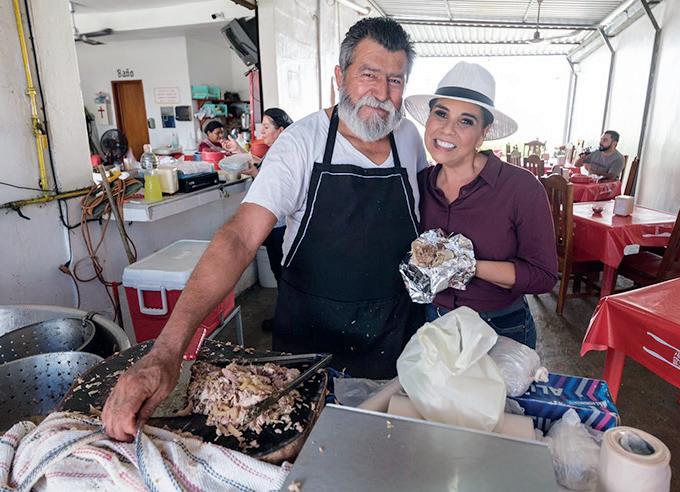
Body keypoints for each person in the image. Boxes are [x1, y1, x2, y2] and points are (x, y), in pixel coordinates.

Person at [102, 17, 428, 442]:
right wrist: (167, 350)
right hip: (310, 349)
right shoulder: (302, 143)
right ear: (339, 77)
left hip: (394, 341)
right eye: (369, 75)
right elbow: (239, 237)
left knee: (386, 451)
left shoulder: (409, 139)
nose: (382, 93)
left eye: (395, 80)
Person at [405, 61, 558, 348]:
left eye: (466, 121)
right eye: (441, 114)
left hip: (500, 327)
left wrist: (467, 265)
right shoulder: (418, 183)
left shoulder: (520, 188)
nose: (447, 129)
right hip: (434, 321)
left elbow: (543, 276)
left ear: (484, 132)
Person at [227, 107, 295, 331]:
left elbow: (275, 186)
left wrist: (255, 174)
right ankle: (287, 318)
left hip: (280, 224)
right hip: (277, 223)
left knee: (282, 272)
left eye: (266, 127)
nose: (261, 132)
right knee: (281, 271)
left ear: (281, 130)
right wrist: (239, 151)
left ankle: (287, 322)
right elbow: (261, 164)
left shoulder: (283, 153)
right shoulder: (278, 150)